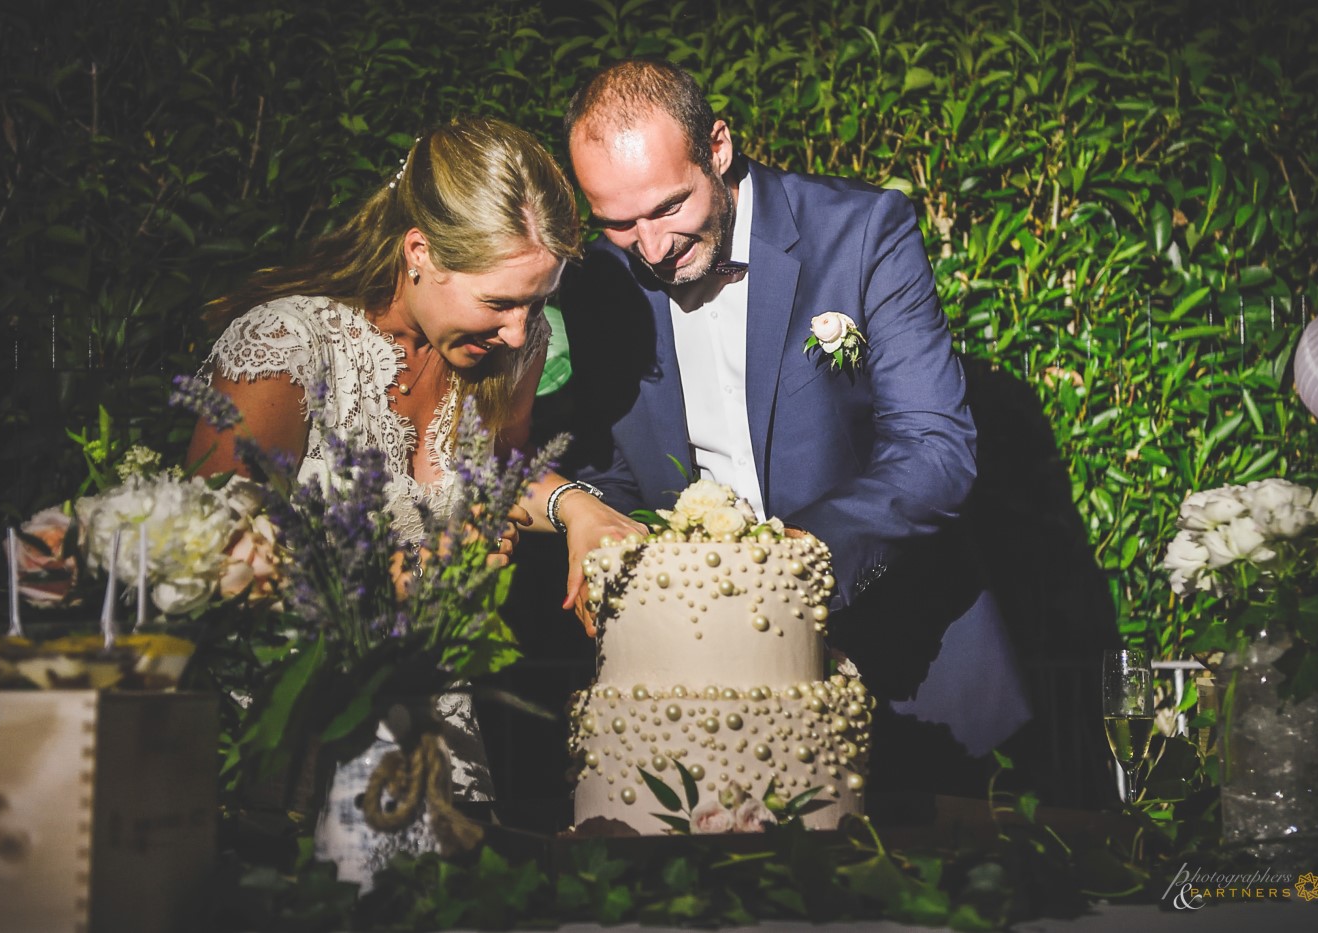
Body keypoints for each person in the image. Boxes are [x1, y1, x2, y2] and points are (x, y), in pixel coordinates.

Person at [186, 115, 643, 881]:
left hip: (435, 743)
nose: (522, 330)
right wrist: (390, 580)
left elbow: (497, 469)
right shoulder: (284, 349)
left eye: (538, 301)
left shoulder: (512, 347)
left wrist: (574, 507)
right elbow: (203, 559)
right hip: (286, 739)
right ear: (419, 253)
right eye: (500, 301)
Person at [557, 60, 1031, 791]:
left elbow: (936, 450)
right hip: (704, 696)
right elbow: (615, 460)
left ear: (718, 147)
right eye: (619, 223)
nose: (651, 249)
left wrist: (799, 559)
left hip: (907, 660)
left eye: (668, 207)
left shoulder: (863, 232)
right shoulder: (603, 280)